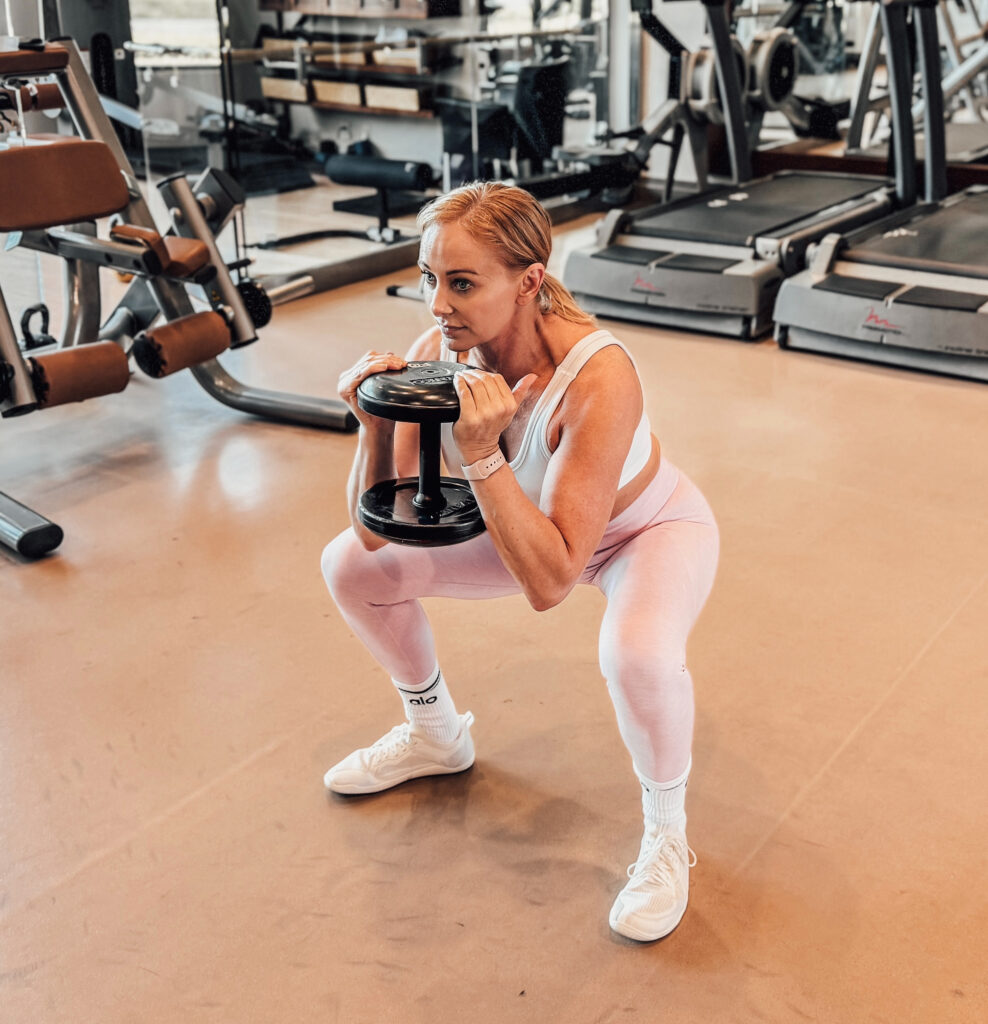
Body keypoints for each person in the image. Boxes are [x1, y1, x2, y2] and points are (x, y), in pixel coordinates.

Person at [321, 182, 719, 942]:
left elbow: (552, 580)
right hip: (529, 527)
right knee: (349, 568)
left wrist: (478, 457)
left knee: (637, 654)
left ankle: (667, 837)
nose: (439, 305)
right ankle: (436, 733)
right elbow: (375, 534)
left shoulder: (601, 376)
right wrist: (372, 424)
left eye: (463, 283)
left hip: (645, 531)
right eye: (430, 277)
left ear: (529, 280)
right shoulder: (445, 346)